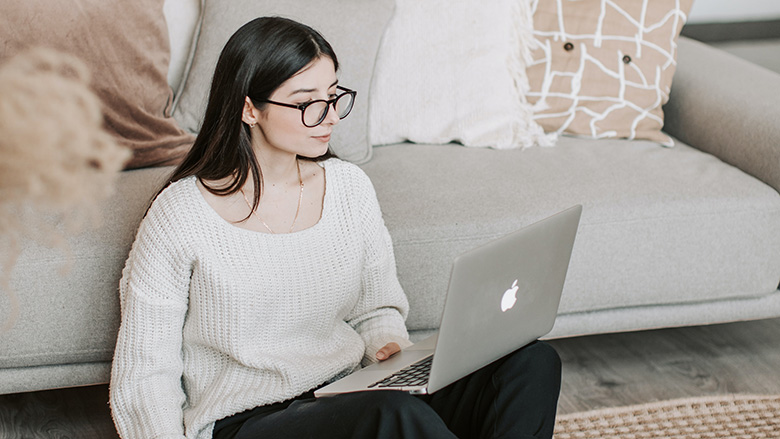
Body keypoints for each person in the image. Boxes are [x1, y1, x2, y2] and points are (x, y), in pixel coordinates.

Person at [109, 16, 561, 439]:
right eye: (307, 103)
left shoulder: (348, 188)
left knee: (531, 362)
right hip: (247, 421)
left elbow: (375, 310)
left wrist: (386, 345)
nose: (328, 116)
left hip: (345, 394)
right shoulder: (181, 215)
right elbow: (145, 373)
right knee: (393, 416)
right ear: (250, 109)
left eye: (333, 96)